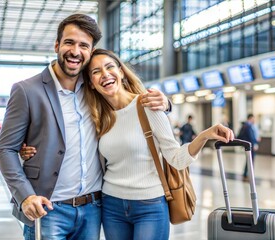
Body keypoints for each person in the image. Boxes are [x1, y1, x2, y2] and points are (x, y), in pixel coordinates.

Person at [21, 49, 234, 240]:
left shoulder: (148, 105)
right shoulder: (97, 116)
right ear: (91, 84)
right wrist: (30, 148)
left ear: (121, 72)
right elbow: (71, 142)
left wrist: (205, 135)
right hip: (111, 205)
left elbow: (176, 158)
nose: (105, 74)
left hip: (150, 205)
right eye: (96, 72)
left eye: (110, 67)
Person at [0, 14, 170, 240]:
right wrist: (25, 196)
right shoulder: (27, 90)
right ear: (57, 45)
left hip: (93, 209)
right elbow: (5, 149)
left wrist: (166, 104)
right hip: (49, 209)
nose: (76, 51)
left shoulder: (95, 89)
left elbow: (129, 104)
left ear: (90, 52)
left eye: (84, 46)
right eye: (69, 42)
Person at [237, 114, 259, 181]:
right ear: (250, 118)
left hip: (248, 145)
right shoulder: (248, 126)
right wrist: (255, 143)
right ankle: (248, 174)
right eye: (253, 118)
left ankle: (246, 174)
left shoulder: (245, 125)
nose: (254, 120)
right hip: (250, 146)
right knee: (250, 160)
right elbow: (251, 137)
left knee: (249, 160)